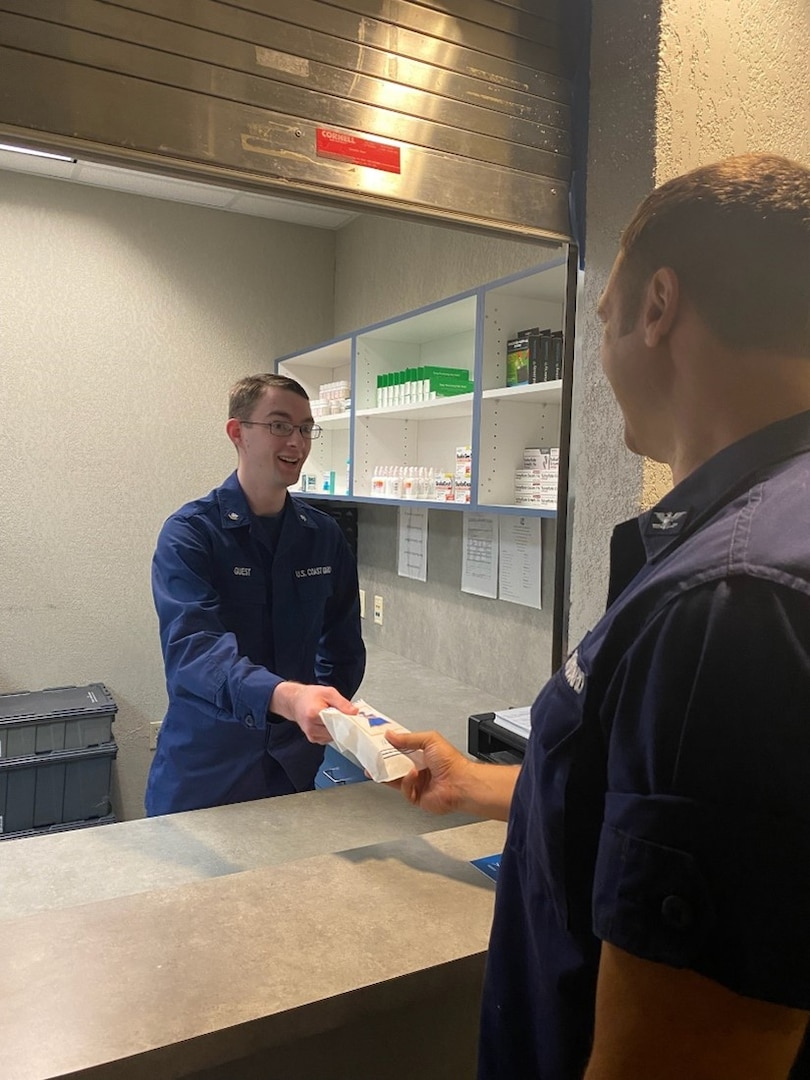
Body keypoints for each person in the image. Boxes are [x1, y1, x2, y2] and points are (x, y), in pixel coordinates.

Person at [386, 154, 810, 1079]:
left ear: (658, 307)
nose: (603, 340)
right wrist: (483, 783)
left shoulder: (732, 601)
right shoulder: (763, 544)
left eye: (606, 310)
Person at [146, 373, 365, 816]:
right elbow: (195, 651)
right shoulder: (191, 535)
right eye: (280, 425)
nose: (297, 443)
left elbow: (343, 649)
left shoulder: (323, 536)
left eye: (306, 428)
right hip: (206, 768)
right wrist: (289, 698)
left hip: (292, 765)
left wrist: (320, 709)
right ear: (237, 433)